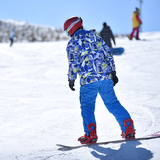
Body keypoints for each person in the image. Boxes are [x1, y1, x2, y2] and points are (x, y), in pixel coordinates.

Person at [64, 17, 135, 144]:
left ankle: (91, 134)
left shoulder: (72, 43)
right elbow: (108, 55)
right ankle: (128, 127)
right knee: (113, 103)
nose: (67, 34)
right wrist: (113, 72)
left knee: (87, 106)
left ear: (71, 28)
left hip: (88, 81)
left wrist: (71, 79)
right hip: (105, 77)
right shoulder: (97, 37)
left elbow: (73, 64)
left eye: (66, 32)